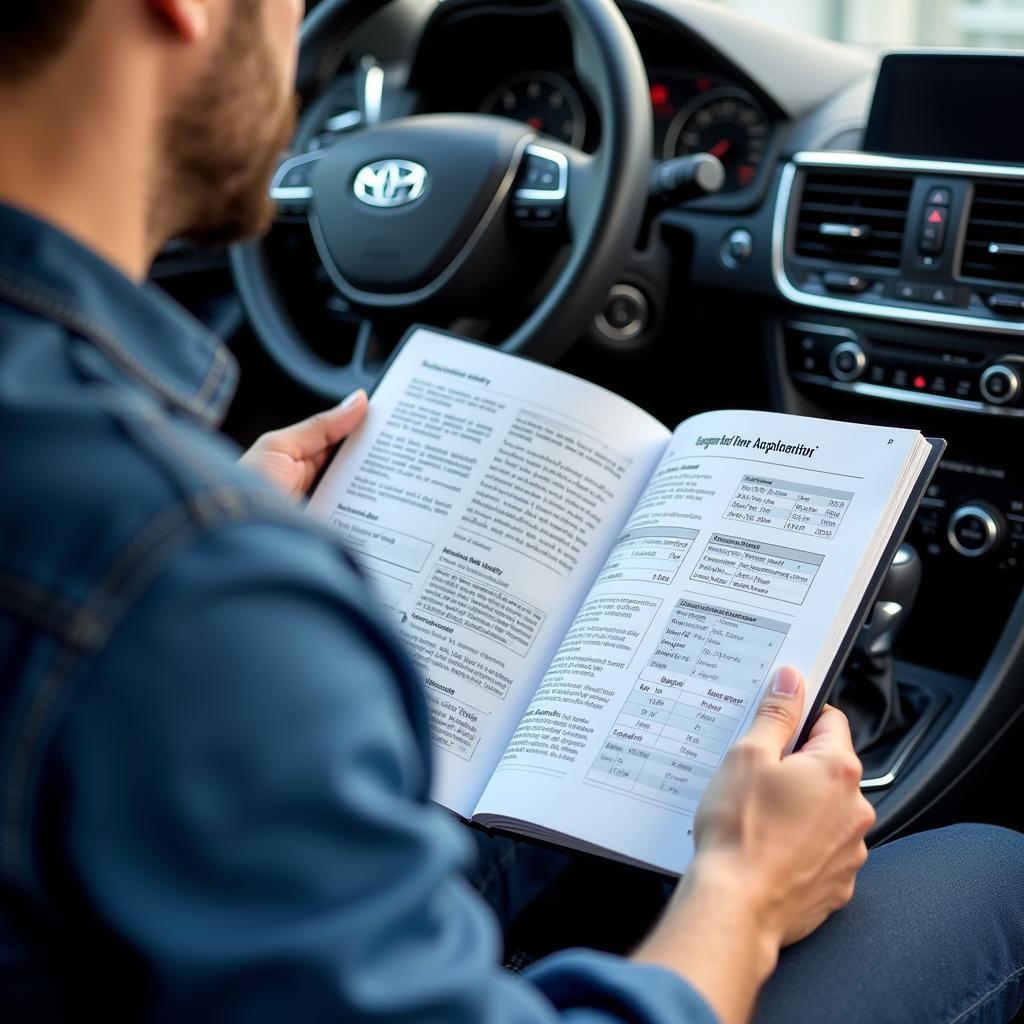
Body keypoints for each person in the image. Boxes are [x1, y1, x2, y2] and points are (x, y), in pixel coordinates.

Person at [0, 2, 1021, 1021]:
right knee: (993, 876)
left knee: (524, 828)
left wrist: (216, 554)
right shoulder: (189, 576)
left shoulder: (146, 528)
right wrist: (743, 891)